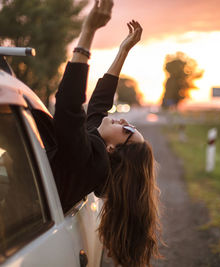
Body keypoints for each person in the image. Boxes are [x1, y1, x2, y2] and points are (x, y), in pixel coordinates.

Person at [50, 0, 161, 266]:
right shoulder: (94, 152)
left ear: (112, 149)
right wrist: (124, 50)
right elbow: (99, 103)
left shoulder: (87, 161)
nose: (125, 121)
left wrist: (87, 32)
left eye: (128, 130)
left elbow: (68, 104)